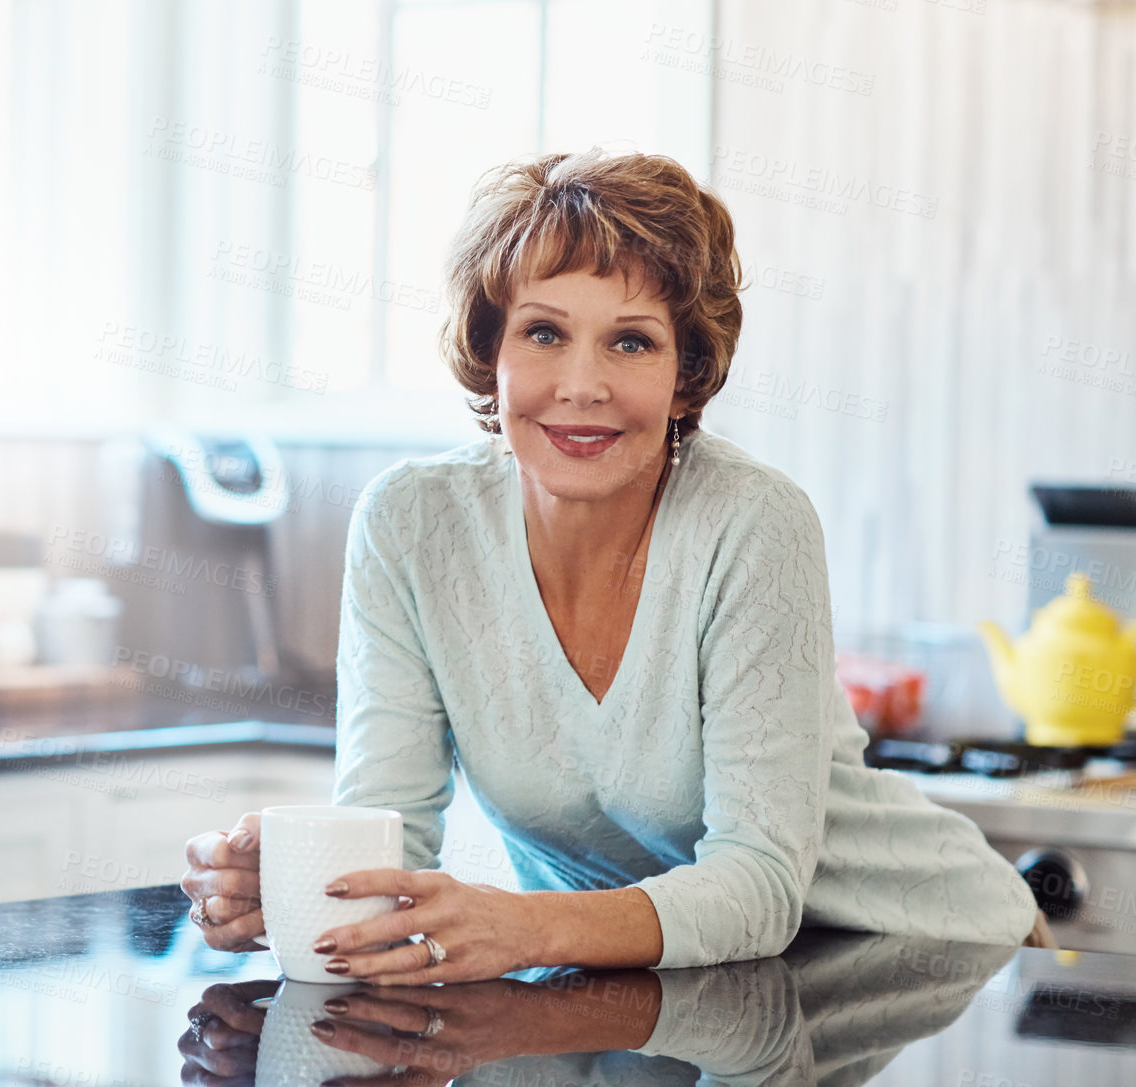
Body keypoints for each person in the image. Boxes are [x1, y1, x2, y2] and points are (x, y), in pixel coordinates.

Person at [180, 147, 1049, 982]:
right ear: (492, 353)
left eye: (630, 342)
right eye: (543, 332)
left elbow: (759, 886)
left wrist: (517, 926)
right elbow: (390, 836)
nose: (581, 384)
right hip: (644, 990)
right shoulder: (411, 523)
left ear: (685, 378)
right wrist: (299, 883)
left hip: (916, 962)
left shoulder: (751, 521)